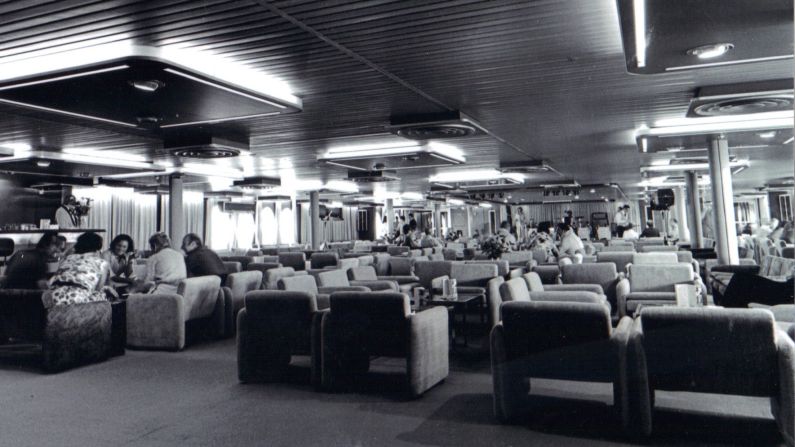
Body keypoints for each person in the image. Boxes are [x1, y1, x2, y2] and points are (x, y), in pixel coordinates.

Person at [48, 232, 113, 307]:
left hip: (54, 296)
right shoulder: (102, 263)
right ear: (98, 247)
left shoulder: (68, 258)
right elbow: (98, 288)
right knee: (105, 295)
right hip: (77, 298)